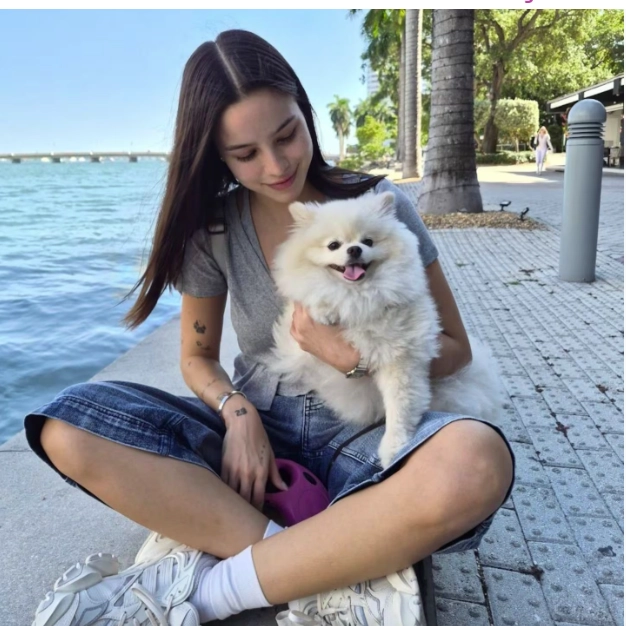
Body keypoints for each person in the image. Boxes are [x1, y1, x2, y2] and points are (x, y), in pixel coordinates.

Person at [25, 30, 515, 626]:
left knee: (476, 463)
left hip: (365, 430)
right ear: (218, 157)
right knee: (66, 429)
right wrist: (238, 415)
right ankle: (322, 560)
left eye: (286, 135)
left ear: (305, 113)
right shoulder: (213, 229)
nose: (277, 165)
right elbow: (196, 358)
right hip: (258, 425)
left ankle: (224, 585)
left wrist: (352, 360)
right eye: (245, 154)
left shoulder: (380, 209)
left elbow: (456, 349)